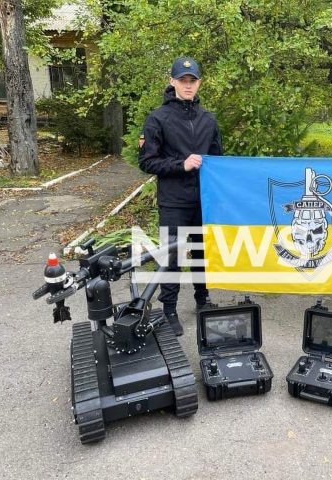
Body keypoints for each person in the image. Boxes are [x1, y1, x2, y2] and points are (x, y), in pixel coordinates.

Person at [138, 57, 223, 336]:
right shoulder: (157, 119)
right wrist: (181, 164)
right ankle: (169, 309)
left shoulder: (208, 119)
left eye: (193, 80)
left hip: (203, 200)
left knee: (200, 252)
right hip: (174, 200)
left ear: (199, 83)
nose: (188, 85)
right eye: (183, 80)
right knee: (172, 254)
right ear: (172, 81)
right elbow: (147, 162)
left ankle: (202, 300)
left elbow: (218, 161)